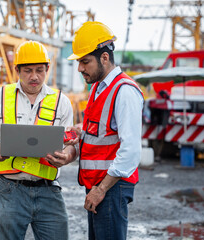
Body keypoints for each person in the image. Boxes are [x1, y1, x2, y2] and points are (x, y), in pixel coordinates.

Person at [0, 40, 77, 240]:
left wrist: (66, 157)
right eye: (28, 70)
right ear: (17, 70)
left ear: (47, 68)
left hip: (49, 190)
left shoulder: (61, 102)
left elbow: (71, 147)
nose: (34, 76)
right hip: (9, 189)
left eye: (39, 70)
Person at [67, 21, 144, 240]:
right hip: (98, 186)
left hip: (110, 188)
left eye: (85, 62)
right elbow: (104, 131)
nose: (80, 68)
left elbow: (130, 151)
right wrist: (80, 132)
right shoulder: (99, 88)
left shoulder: (124, 91)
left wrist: (101, 189)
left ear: (104, 58)